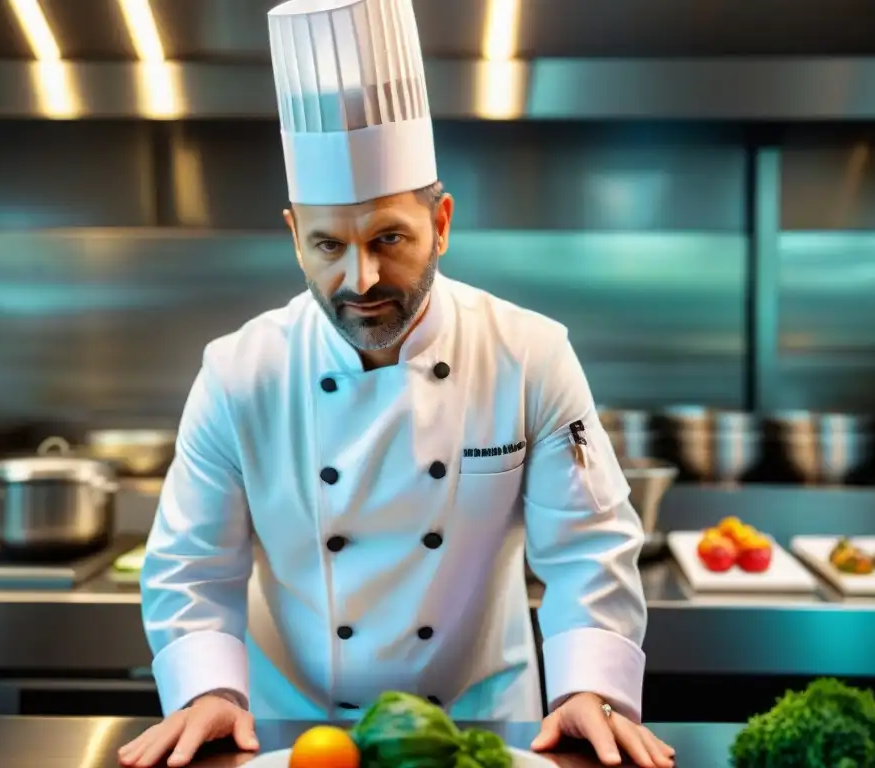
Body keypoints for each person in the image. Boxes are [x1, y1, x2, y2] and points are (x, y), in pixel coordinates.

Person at [118, 1, 675, 767]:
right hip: (294, 737)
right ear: (294, 237)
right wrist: (208, 691)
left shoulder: (530, 355)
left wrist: (590, 689)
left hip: (483, 733)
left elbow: (587, 546)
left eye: (390, 238)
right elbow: (191, 564)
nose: (361, 279)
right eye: (327, 246)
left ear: (441, 223)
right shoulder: (240, 373)